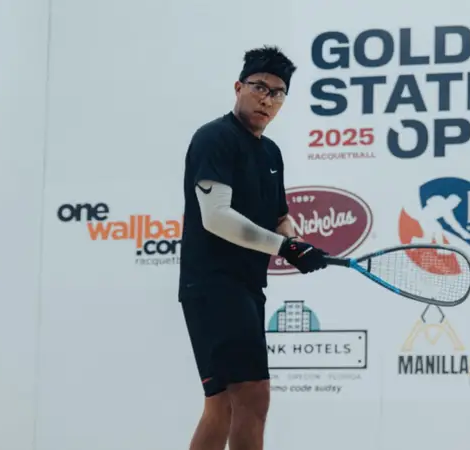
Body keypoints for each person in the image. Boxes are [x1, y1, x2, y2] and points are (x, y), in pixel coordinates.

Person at [177, 46, 330, 450]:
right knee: (252, 395)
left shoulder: (271, 152)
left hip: (245, 286)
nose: (268, 99)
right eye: (260, 87)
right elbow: (215, 216)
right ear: (238, 87)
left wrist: (293, 241)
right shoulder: (215, 138)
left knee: (223, 405)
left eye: (278, 93)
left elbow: (279, 216)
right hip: (212, 285)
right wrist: (283, 246)